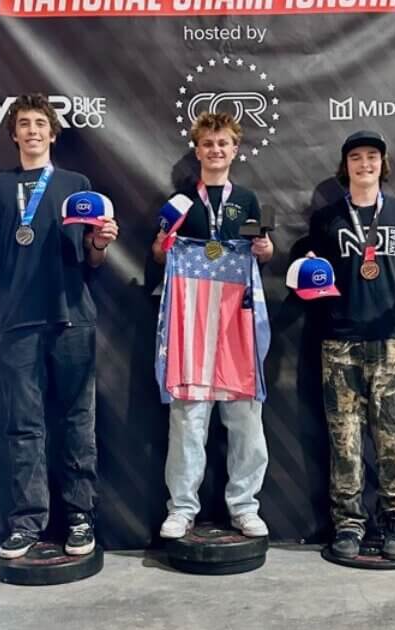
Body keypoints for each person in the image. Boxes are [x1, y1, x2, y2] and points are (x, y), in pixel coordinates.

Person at [0, 93, 118, 559]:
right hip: (17, 321)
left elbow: (92, 258)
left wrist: (102, 243)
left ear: (52, 132)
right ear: (13, 134)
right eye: (23, 123)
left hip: (73, 316)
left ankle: (81, 519)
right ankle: (27, 522)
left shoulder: (76, 182)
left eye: (40, 124)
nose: (32, 131)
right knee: (24, 426)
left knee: (77, 423)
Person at [305, 130, 395, 560]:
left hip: (390, 340)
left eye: (373, 157)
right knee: (344, 440)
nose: (365, 164)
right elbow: (315, 274)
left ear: (383, 164)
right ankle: (348, 523)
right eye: (357, 157)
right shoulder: (326, 218)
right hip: (339, 341)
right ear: (345, 166)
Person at [150, 111, 273, 540]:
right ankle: (182, 509)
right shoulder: (181, 203)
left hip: (236, 323)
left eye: (223, 144)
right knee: (187, 421)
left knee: (245, 419)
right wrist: (164, 245)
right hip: (191, 324)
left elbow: (262, 255)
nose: (215, 150)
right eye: (207, 144)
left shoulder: (249, 201)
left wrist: (265, 248)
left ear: (234, 149)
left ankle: (244, 506)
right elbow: (160, 256)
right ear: (197, 150)